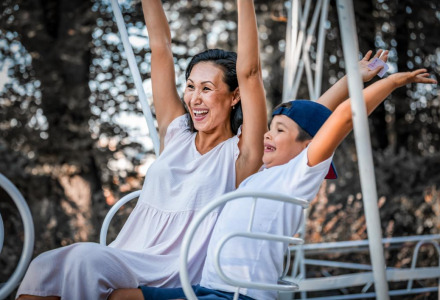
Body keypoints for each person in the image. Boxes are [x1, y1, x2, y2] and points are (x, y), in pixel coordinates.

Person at [109, 68, 436, 300]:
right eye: (271, 127)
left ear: (308, 146)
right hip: (205, 286)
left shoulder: (297, 176)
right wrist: (352, 79)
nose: (267, 133)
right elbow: (312, 114)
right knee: (119, 295)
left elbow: (340, 119)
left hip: (239, 293)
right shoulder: (259, 176)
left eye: (278, 130)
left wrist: (392, 82)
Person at [16, 0, 268, 299]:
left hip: (176, 269)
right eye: (190, 86)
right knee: (44, 267)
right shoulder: (176, 133)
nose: (195, 98)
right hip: (131, 253)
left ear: (235, 96)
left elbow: (250, 73)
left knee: (85, 259)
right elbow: (159, 45)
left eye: (207, 88)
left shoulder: (241, 154)